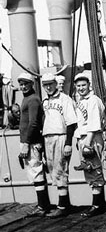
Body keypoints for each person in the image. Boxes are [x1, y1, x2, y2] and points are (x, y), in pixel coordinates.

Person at [41, 73, 77, 218]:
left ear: (56, 84)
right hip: (48, 137)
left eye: (51, 84)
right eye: (45, 85)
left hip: (61, 136)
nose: (48, 87)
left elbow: (71, 122)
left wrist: (68, 143)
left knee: (61, 169)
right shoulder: (45, 101)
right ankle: (65, 203)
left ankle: (62, 207)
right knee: (53, 170)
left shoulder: (65, 99)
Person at [73, 72, 106, 217]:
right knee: (89, 170)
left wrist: (87, 143)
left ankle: (97, 205)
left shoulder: (93, 100)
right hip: (84, 138)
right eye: (78, 85)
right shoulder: (81, 100)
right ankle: (101, 202)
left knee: (94, 170)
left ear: (89, 85)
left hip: (91, 138)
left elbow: (94, 122)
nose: (81, 88)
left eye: (83, 85)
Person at [17, 73, 50, 216]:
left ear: (32, 84)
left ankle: (43, 206)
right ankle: (43, 204)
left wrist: (26, 143)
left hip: (32, 142)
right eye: (21, 84)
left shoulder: (32, 100)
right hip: (28, 141)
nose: (23, 87)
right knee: (34, 172)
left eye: (26, 84)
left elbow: (34, 123)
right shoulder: (28, 99)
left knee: (36, 173)